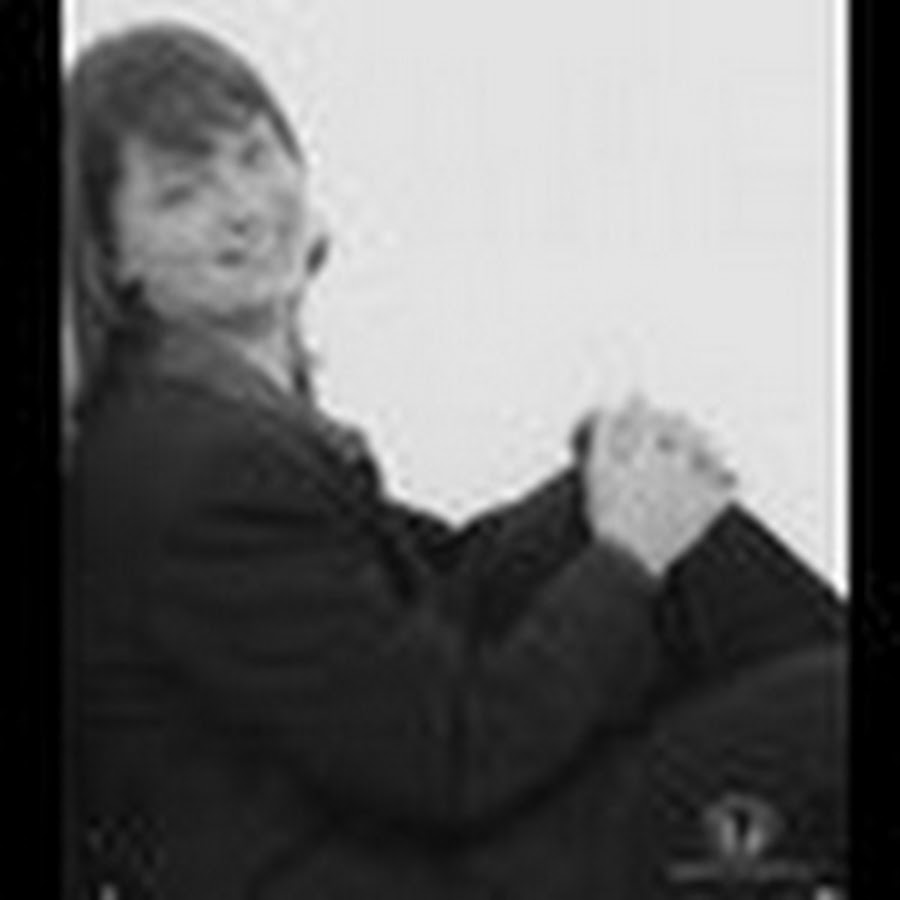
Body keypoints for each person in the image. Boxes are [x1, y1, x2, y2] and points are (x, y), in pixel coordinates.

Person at [62, 21, 846, 900]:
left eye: (253, 156)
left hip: (391, 808)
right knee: (828, 713)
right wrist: (626, 555)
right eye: (181, 195)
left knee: (700, 551)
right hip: (384, 867)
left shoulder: (208, 406)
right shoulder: (194, 467)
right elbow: (451, 758)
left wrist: (603, 490)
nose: (244, 207)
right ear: (111, 253)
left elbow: (404, 595)